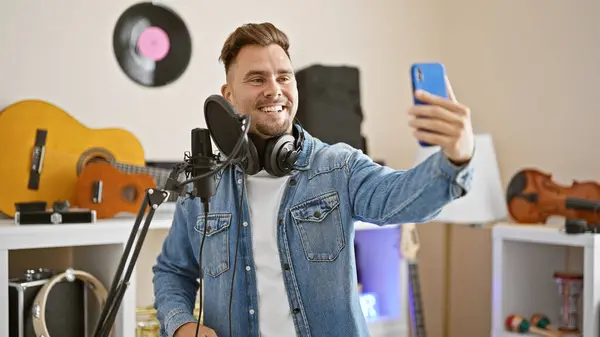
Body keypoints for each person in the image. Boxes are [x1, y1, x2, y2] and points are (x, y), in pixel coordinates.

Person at [152, 22, 475, 337]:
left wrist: (456, 158)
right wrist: (181, 323)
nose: (274, 89)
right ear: (229, 95)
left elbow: (402, 199)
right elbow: (173, 270)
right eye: (256, 78)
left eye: (284, 77)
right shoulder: (204, 186)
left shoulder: (339, 168)